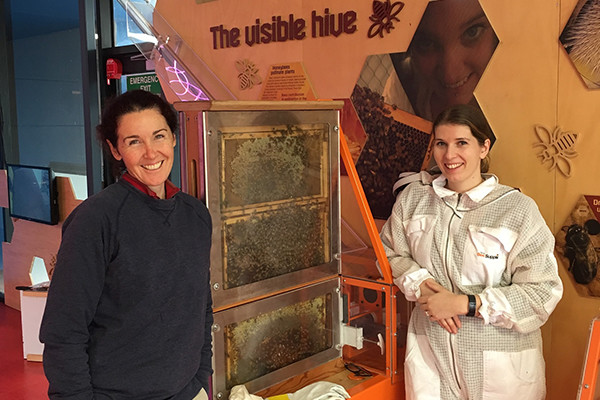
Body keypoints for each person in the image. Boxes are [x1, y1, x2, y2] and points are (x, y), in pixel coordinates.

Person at [380, 104, 563, 399]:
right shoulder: (414, 200)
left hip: (502, 374)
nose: (449, 155)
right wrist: (423, 286)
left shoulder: (517, 211)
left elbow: (542, 293)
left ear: (483, 147)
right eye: (441, 143)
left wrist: (466, 304)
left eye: (461, 143)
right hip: (432, 361)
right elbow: (389, 252)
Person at [40, 90, 213, 400]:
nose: (151, 153)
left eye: (158, 136)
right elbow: (63, 331)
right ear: (115, 150)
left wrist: (201, 376)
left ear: (173, 138)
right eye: (134, 141)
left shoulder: (195, 215)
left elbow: (201, 306)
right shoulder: (95, 220)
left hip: (188, 391)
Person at [385, 0, 499, 120]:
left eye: (472, 32)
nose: (450, 75)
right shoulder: (405, 85)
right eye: (426, 43)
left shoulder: (518, 93)